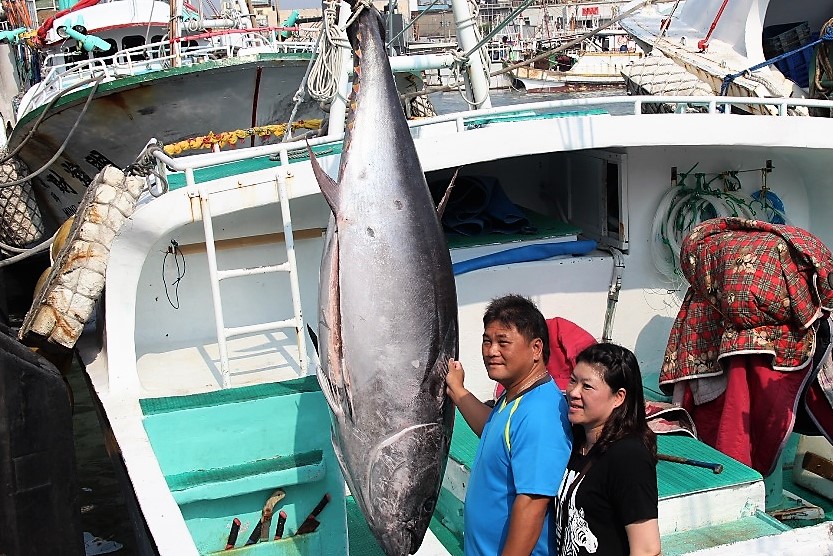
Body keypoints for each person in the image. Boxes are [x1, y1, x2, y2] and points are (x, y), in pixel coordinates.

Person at [447, 294, 572, 556]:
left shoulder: (540, 414)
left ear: (536, 348)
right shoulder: (515, 395)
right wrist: (458, 392)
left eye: (503, 342)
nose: (492, 351)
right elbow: (493, 431)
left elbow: (533, 505)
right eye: (487, 341)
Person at [555, 343, 660, 556]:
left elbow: (648, 549)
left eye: (587, 386)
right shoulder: (575, 443)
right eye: (573, 380)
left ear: (618, 397)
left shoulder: (629, 457)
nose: (573, 392)